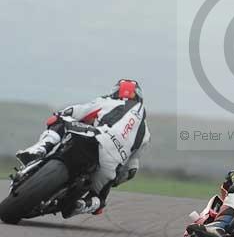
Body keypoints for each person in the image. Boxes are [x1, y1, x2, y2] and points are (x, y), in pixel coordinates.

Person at [16, 79, 150, 217]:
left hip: (93, 135)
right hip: (111, 161)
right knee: (100, 199)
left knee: (61, 121)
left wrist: (59, 116)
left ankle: (39, 149)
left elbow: (76, 111)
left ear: (115, 92)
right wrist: (116, 180)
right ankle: (84, 205)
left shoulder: (107, 101)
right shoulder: (145, 133)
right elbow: (132, 168)